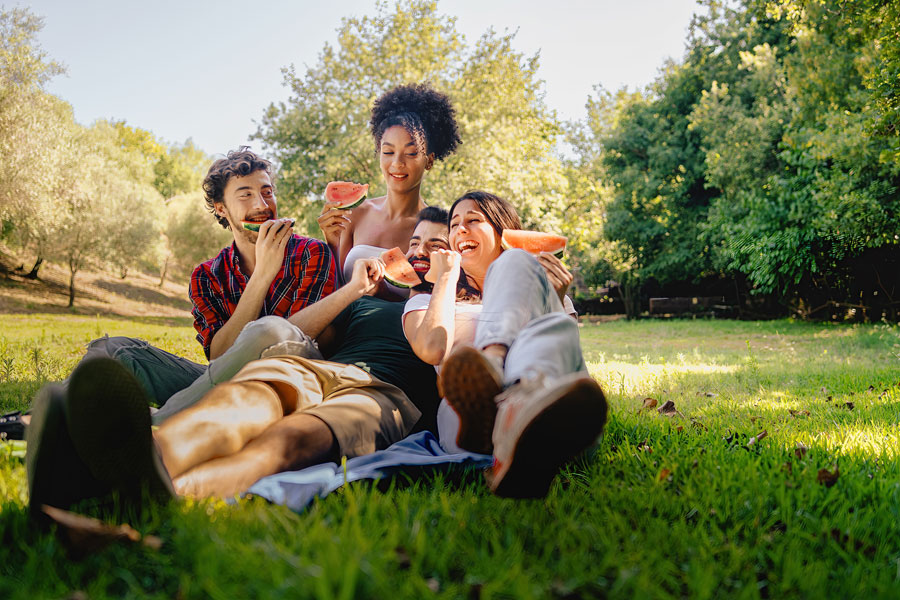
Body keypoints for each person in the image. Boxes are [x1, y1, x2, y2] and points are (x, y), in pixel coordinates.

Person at [26, 209, 452, 513]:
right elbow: (300, 332)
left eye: (435, 245)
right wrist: (356, 290)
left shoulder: (464, 308)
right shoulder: (371, 299)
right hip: (317, 369)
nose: (418, 252)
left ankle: (153, 491)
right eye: (413, 242)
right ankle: (134, 455)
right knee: (237, 406)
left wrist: (445, 284)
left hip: (382, 395)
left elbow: (447, 354)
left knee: (289, 442)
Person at [71, 148, 341, 412]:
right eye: (245, 195)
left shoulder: (311, 253)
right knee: (111, 348)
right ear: (221, 208)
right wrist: (261, 278)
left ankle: (164, 420)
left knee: (268, 336)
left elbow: (294, 345)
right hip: (222, 382)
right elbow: (219, 356)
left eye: (267, 192)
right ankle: (50, 414)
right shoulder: (207, 275)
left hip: (288, 386)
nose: (261, 204)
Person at [402, 191, 607, 498]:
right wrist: (445, 278)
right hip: (469, 424)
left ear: (502, 232)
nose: (460, 230)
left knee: (518, 266)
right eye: (454, 225)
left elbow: (561, 354)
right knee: (523, 277)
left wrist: (554, 300)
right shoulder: (426, 300)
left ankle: (504, 381)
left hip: (551, 409)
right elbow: (431, 350)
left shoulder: (537, 281)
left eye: (473, 220)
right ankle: (505, 409)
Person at [317, 83, 461, 298]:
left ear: (429, 160)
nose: (397, 163)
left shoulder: (435, 230)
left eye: (411, 153)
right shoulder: (355, 213)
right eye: (388, 152)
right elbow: (332, 287)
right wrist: (330, 241)